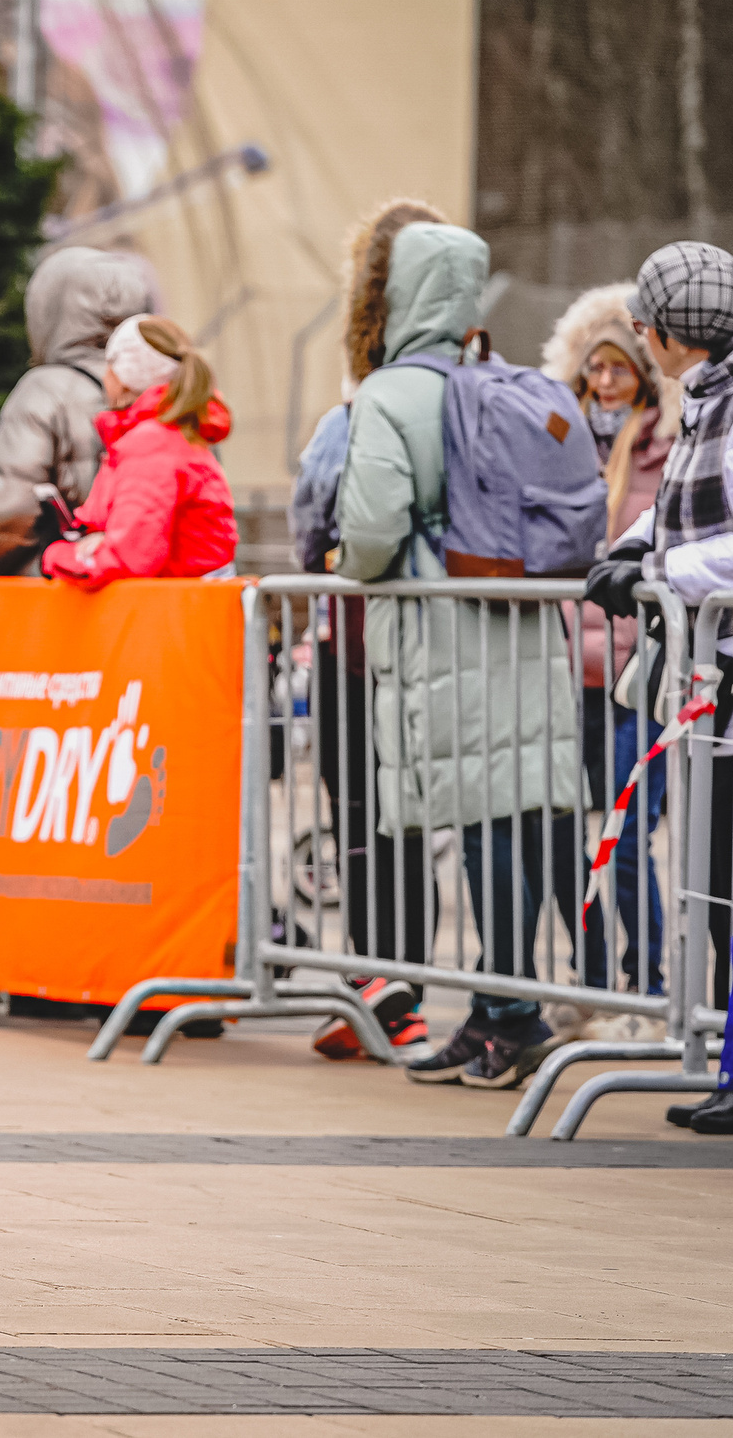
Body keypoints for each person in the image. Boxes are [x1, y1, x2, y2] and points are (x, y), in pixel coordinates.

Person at [584, 241, 733, 1136]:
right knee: (725, 868)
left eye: (643, 326)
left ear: (664, 332)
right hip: (728, 669)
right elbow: (699, 501)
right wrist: (635, 546)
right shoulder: (722, 395)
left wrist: (657, 565)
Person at [336, 223, 582, 1090]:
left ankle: (510, 1016)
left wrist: (345, 568)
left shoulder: (390, 394)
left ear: (395, 291)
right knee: (507, 822)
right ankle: (496, 1009)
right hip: (517, 627)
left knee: (483, 829)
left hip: (444, 634)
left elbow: (369, 530)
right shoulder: (503, 381)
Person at [294, 199, 447, 1063]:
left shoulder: (366, 406)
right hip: (423, 639)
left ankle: (388, 989)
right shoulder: (465, 390)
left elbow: (322, 513)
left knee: (364, 814)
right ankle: (390, 986)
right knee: (399, 818)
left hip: (362, 638)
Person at [542, 281, 678, 1005]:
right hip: (571, 667)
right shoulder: (560, 442)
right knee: (570, 831)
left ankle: (646, 975)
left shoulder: (664, 450)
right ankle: (591, 973)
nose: (603, 382)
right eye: (594, 369)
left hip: (636, 670)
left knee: (625, 836)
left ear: (641, 373)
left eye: (617, 369)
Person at [0, 246, 155, 576]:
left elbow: (7, 512)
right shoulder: (168, 386)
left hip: (64, 594)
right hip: (149, 594)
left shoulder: (45, 389)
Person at [37, 316, 236, 588]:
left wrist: (56, 555)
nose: (105, 374)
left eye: (110, 364)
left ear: (125, 377)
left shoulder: (152, 444)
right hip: (186, 610)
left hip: (176, 617)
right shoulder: (172, 436)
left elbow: (130, 557)